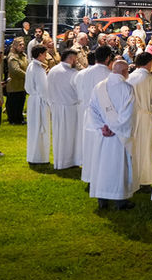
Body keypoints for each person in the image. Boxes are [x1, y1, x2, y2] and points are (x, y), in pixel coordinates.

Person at [87, 60, 137, 210]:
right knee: (118, 167)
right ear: (124, 72)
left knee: (102, 166)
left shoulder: (99, 87)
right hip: (119, 136)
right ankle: (120, 200)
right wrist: (115, 128)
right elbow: (129, 113)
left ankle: (102, 198)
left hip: (103, 135)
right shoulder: (127, 88)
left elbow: (92, 109)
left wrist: (102, 127)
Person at [76, 46, 114, 188]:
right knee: (101, 149)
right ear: (108, 58)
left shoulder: (85, 73)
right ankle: (101, 177)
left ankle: (91, 175)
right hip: (103, 117)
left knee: (89, 147)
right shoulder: (108, 75)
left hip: (87, 114)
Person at [127, 52, 152, 187]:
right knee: (145, 148)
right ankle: (144, 179)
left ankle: (131, 175)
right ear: (148, 63)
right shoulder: (151, 79)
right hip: (146, 117)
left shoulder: (129, 77)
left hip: (131, 117)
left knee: (133, 147)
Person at [47, 50, 82, 169]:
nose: (76, 61)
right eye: (75, 59)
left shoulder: (53, 70)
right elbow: (79, 90)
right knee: (70, 136)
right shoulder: (73, 73)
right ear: (71, 58)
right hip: (70, 107)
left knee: (59, 135)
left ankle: (60, 160)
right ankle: (68, 161)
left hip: (56, 106)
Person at [24, 45, 51, 165]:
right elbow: (44, 89)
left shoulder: (31, 66)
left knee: (34, 128)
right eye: (45, 54)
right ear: (40, 55)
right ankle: (39, 156)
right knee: (41, 128)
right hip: (39, 101)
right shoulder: (38, 68)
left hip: (33, 100)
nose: (46, 56)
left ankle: (34, 155)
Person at [5, 37, 29, 125]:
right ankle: (13, 119)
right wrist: (28, 75)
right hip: (14, 84)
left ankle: (19, 118)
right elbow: (15, 70)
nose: (22, 46)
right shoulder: (12, 57)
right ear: (15, 46)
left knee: (21, 102)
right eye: (20, 45)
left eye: (23, 45)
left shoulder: (24, 56)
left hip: (22, 84)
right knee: (13, 102)